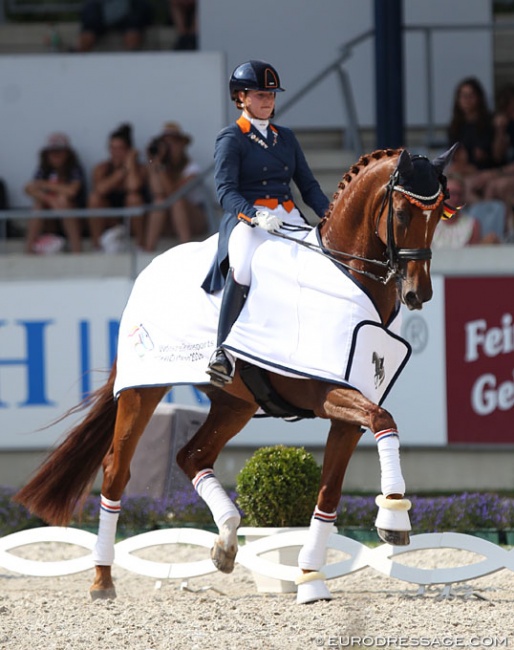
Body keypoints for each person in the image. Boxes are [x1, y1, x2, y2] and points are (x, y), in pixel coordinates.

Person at [202, 60, 330, 387]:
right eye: (260, 95)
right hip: (249, 217)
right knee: (242, 267)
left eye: (271, 95)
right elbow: (225, 191)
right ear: (241, 97)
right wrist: (254, 215)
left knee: (324, 261)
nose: (268, 101)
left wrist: (331, 215)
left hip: (287, 213)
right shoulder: (232, 137)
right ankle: (223, 352)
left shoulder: (285, 137)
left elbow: (309, 186)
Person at [144, 121, 208, 251]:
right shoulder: (160, 166)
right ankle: (148, 248)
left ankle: (186, 247)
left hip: (194, 218)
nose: (169, 147)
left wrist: (160, 168)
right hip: (168, 220)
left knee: (177, 202)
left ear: (181, 145)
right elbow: (157, 192)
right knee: (159, 202)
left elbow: (173, 193)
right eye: (165, 143)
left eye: (172, 143)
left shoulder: (192, 169)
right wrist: (154, 165)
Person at [87, 123, 147, 251]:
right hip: (110, 219)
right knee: (94, 199)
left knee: (133, 199)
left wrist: (130, 164)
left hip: (132, 221)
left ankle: (140, 245)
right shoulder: (102, 168)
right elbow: (100, 189)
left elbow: (134, 187)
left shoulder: (140, 169)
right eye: (112, 148)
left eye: (120, 149)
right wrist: (122, 171)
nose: (115, 153)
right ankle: (97, 246)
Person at [24, 132, 86, 254]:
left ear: (67, 153)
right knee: (38, 205)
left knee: (64, 201)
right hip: (49, 218)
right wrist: (50, 199)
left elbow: (72, 191)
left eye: (59, 152)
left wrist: (47, 185)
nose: (55, 156)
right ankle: (28, 251)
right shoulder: (44, 169)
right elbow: (29, 188)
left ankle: (77, 250)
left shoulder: (74, 169)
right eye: (52, 152)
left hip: (72, 216)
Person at [432, 174, 502, 249]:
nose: (455, 199)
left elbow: (475, 256)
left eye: (459, 194)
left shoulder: (472, 225)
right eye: (451, 193)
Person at [446, 77, 498, 176]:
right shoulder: (455, 126)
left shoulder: (489, 123)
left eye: (471, 96)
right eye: (464, 96)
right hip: (463, 169)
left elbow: (491, 156)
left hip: (487, 171)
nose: (467, 100)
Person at [77, 0, 153, 52]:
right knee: (89, 30)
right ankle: (78, 60)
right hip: (101, 6)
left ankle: (131, 62)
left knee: (132, 30)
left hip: (131, 6)